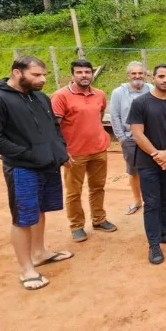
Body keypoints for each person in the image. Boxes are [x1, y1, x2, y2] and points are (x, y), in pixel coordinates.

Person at [0, 55, 73, 290]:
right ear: (17, 72)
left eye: (44, 75)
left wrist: (61, 151)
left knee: (40, 210)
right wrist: (28, 154)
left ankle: (40, 252)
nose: (42, 80)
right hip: (22, 168)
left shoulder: (40, 97)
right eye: (36, 75)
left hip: (48, 164)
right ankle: (27, 269)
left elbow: (53, 127)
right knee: (22, 218)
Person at [127, 64, 166, 265]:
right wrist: (156, 155)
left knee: (165, 199)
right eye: (161, 76)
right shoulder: (140, 103)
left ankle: (164, 232)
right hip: (147, 162)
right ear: (152, 78)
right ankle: (154, 244)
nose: (165, 80)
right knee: (151, 203)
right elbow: (137, 133)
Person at [50, 59, 117, 242]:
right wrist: (61, 151)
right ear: (72, 75)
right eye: (79, 72)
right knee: (74, 192)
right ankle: (77, 226)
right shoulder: (60, 96)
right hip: (74, 153)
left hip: (98, 150)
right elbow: (55, 126)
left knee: (98, 187)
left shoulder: (99, 94)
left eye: (87, 72)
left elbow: (99, 116)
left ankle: (99, 219)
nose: (84, 75)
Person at [110, 61, 153, 215]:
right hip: (130, 138)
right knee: (134, 171)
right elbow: (114, 116)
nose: (137, 76)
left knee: (152, 169)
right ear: (128, 75)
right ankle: (137, 200)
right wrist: (121, 138)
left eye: (140, 73)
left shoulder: (152, 90)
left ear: (145, 75)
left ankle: (152, 200)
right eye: (134, 73)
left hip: (151, 137)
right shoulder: (118, 93)